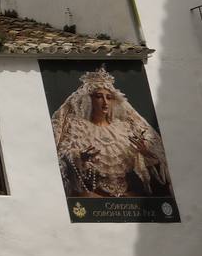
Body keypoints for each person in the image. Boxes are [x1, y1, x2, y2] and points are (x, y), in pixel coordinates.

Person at [52, 67, 171, 198]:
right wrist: (79, 158)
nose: (105, 102)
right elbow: (63, 160)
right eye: (99, 97)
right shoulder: (78, 128)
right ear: (88, 100)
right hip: (94, 194)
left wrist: (144, 152)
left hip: (126, 194)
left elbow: (149, 166)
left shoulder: (123, 129)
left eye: (109, 97)